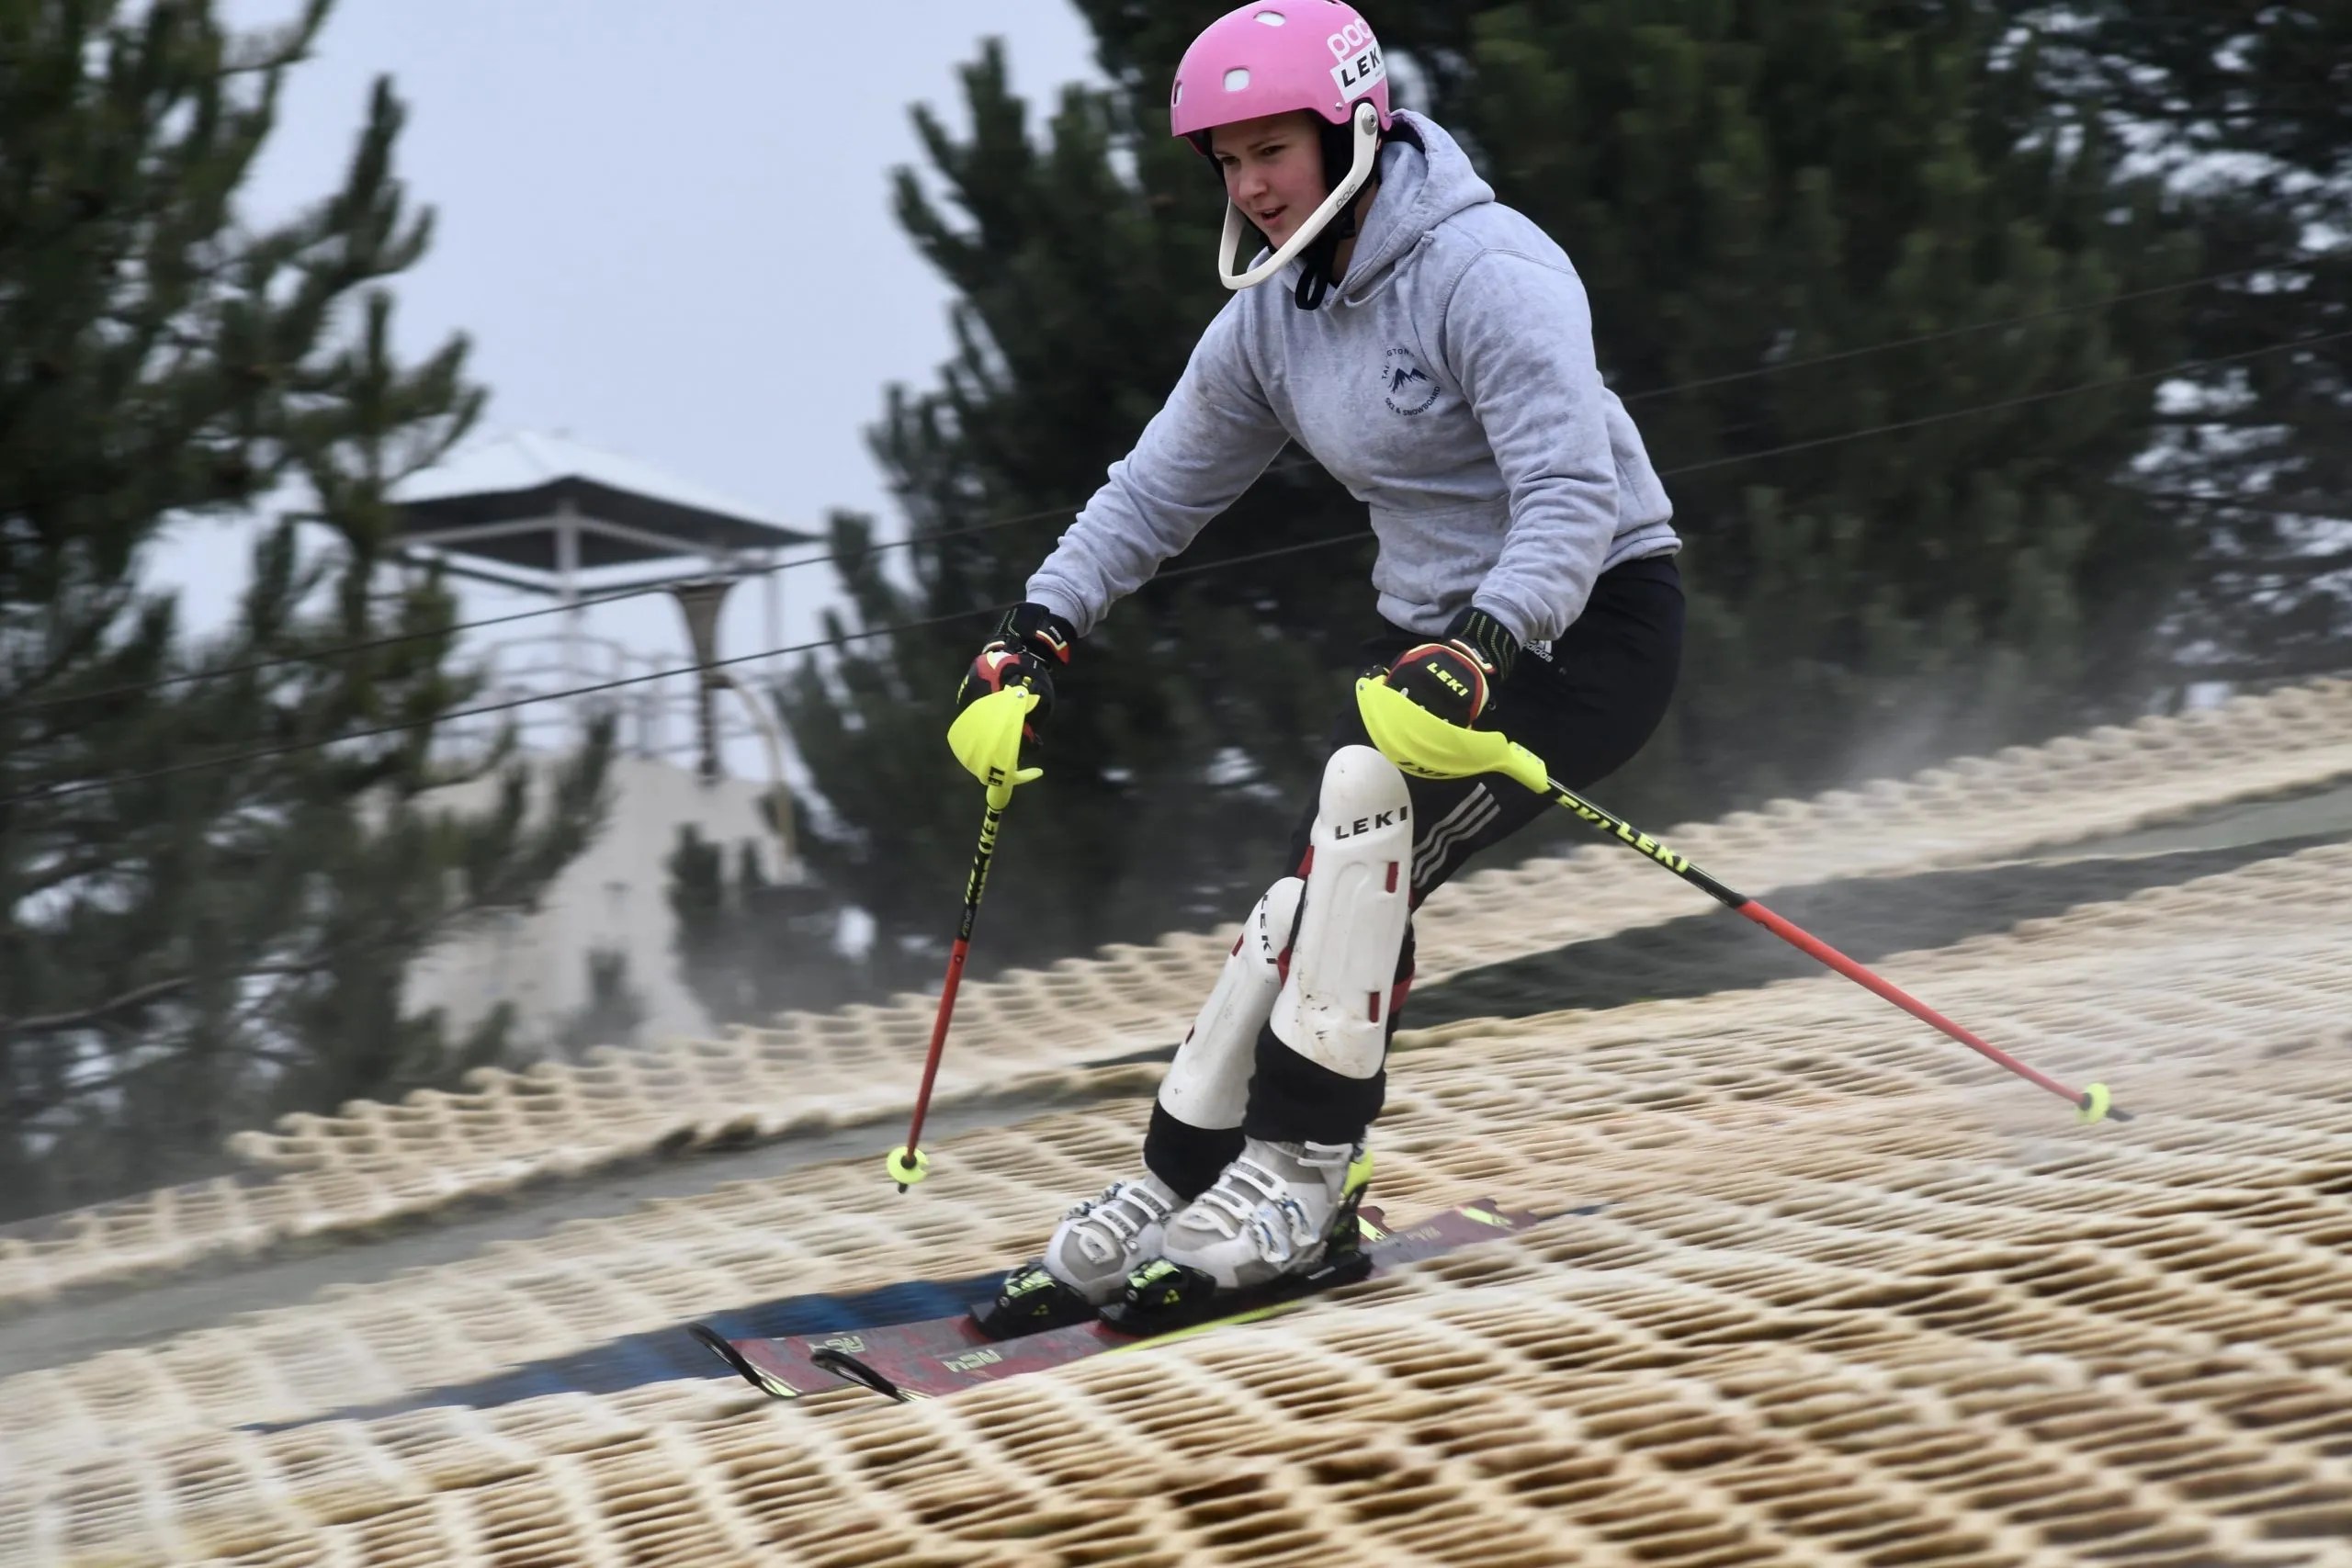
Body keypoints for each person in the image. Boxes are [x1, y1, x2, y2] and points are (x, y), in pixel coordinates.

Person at [956, 0, 1684, 1322]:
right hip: (1432, 645)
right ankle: (1187, 1180)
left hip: (1583, 626)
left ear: (1353, 127)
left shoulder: (1487, 272)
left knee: (1361, 856)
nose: (1248, 187)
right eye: (1225, 162)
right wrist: (1038, 630)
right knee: (1308, 902)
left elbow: (1573, 498)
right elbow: (1152, 491)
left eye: (1268, 152)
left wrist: (1487, 644)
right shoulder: (1274, 316)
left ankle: (1301, 1179)